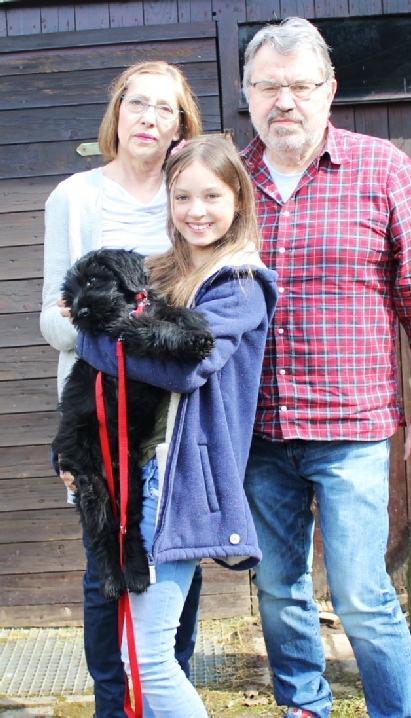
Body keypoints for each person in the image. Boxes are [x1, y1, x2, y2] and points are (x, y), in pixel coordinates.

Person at [238, 17, 411, 718]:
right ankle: (304, 706)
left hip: (353, 431)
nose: (284, 101)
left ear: (329, 90)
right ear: (246, 93)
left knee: (363, 595)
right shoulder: (226, 180)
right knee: (278, 590)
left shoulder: (381, 167)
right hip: (255, 431)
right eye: (267, 87)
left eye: (300, 86)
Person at [73, 135, 278, 716]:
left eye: (212, 196)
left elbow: (187, 368)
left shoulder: (240, 284)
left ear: (238, 199)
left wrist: (91, 341)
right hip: (135, 471)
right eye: (182, 196)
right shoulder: (158, 273)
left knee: (149, 657)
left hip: (179, 483)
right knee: (135, 650)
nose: (196, 210)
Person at [40, 60, 204, 717]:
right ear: (117, 112)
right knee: (105, 567)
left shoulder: (189, 194)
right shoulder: (76, 198)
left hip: (177, 419)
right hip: (100, 416)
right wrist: (109, 333)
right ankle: (114, 707)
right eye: (137, 103)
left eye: (165, 108)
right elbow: (52, 316)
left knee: (177, 566)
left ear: (180, 125)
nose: (148, 117)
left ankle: (167, 693)